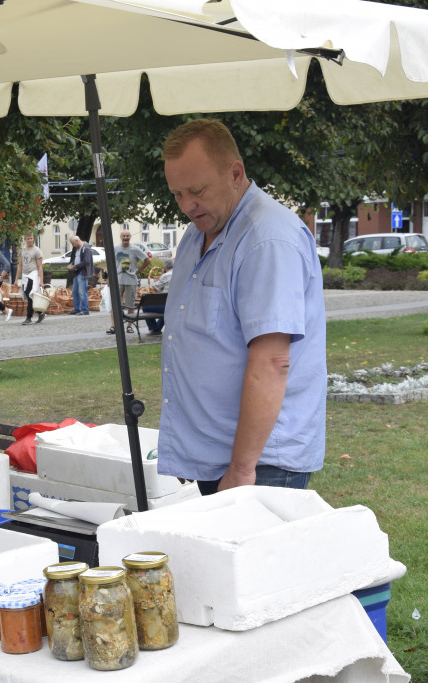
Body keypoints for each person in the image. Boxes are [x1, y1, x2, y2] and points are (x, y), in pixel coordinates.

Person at [157, 118, 326, 496]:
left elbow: (272, 361)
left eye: (197, 190)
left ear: (235, 173)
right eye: (177, 194)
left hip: (259, 464)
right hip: (218, 457)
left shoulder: (268, 239)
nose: (187, 205)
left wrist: (242, 467)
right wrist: (190, 449)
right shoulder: (199, 232)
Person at [107, 229, 149, 334]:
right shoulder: (116, 248)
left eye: (127, 236)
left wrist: (138, 270)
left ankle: (129, 326)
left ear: (130, 237)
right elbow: (110, 262)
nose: (125, 237)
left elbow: (147, 260)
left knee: (130, 304)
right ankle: (114, 326)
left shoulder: (135, 249)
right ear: (120, 237)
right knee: (115, 304)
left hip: (131, 280)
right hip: (118, 279)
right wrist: (109, 277)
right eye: (124, 236)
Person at [15, 231, 45, 325]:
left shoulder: (37, 250)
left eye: (31, 238)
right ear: (25, 239)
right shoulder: (22, 250)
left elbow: (40, 266)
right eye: (28, 238)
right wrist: (16, 279)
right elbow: (20, 265)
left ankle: (28, 317)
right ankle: (40, 313)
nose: (30, 240)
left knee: (30, 294)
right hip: (25, 275)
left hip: (33, 273)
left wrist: (41, 281)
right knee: (27, 294)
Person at [142, 257, 173, 336]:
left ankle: (155, 329)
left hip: (167, 306)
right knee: (166, 310)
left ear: (164, 268)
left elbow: (155, 288)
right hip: (176, 305)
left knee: (145, 308)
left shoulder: (166, 276)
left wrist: (162, 274)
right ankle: (157, 329)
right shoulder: (178, 274)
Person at [67, 234, 94, 315]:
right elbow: (77, 259)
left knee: (82, 291)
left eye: (72, 243)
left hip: (83, 272)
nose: (72, 245)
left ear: (76, 241)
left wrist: (74, 266)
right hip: (77, 272)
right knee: (75, 291)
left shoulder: (86, 248)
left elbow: (86, 261)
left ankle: (85, 310)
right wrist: (71, 264)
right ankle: (77, 309)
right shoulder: (78, 249)